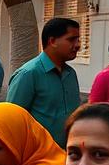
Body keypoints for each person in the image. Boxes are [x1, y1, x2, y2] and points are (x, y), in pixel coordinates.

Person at [7, 17, 82, 147]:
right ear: (52, 41)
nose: (77, 45)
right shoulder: (28, 74)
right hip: (39, 156)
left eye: (78, 39)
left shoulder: (70, 74)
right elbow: (12, 120)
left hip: (69, 153)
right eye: (71, 39)